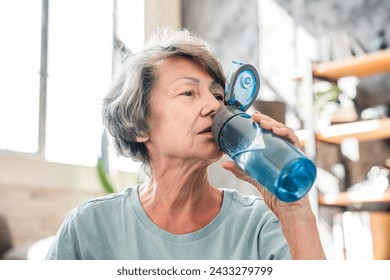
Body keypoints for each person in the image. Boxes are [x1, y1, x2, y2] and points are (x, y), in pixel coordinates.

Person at [46, 28, 326, 260]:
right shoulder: (88, 228)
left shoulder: (259, 225)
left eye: (218, 95)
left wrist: (295, 212)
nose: (213, 106)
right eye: (188, 92)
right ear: (139, 125)